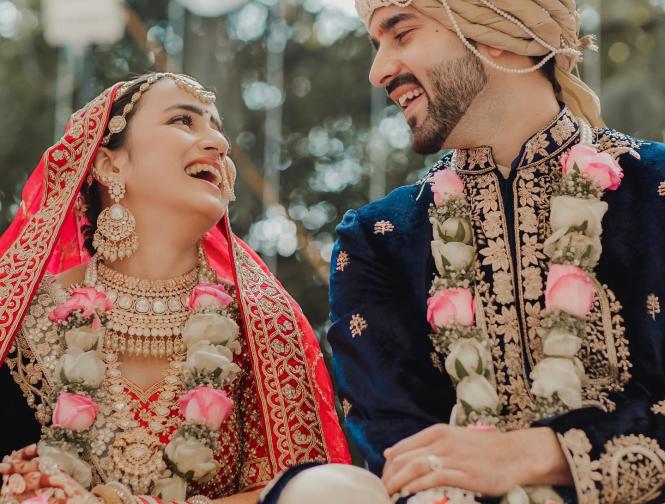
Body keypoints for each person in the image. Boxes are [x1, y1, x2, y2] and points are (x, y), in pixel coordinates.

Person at [328, 1, 665, 503]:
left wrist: (541, 453)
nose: (379, 72)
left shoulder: (655, 189)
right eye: (377, 45)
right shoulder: (378, 241)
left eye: (401, 34)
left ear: (497, 33)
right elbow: (403, 454)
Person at [0, 72, 350, 504]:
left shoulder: (264, 324)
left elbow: (304, 491)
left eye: (217, 128)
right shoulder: (19, 319)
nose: (218, 144)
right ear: (110, 164)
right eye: (183, 121)